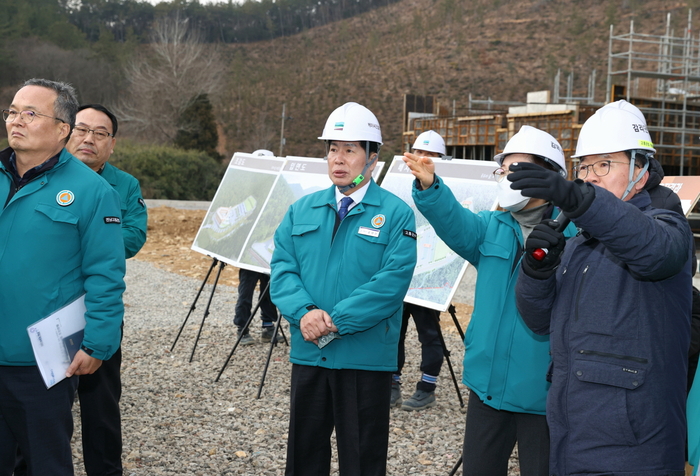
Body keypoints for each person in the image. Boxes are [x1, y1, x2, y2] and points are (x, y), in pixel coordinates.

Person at [510, 100, 693, 475]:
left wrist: (580, 200)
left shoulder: (668, 228)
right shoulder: (580, 243)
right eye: (583, 166)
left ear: (640, 170)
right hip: (571, 437)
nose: (590, 176)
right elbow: (538, 321)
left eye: (604, 164)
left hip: (634, 450)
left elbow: (653, 251)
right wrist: (536, 269)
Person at [403, 125, 577, 476]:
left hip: (543, 396)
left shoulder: (576, 239)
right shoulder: (491, 226)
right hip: (487, 387)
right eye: (503, 170)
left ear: (547, 177)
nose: (506, 179)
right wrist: (430, 187)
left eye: (517, 170)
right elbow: (453, 222)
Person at [270, 102, 417, 476]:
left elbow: (391, 282)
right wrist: (304, 313)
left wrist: (335, 320)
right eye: (333, 149)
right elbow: (283, 270)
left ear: (371, 159)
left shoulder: (396, 214)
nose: (338, 158)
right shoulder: (301, 210)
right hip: (310, 353)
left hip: (363, 357)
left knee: (362, 459)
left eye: (350, 149)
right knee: (304, 456)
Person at [0, 79, 125, 475]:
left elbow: (106, 274)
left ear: (62, 129)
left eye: (31, 114)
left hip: (42, 364)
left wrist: (99, 343)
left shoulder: (92, 191)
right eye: (13, 111)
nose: (16, 121)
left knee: (45, 462)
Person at [67, 104, 147, 476]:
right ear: (66, 131)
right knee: (40, 404)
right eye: (82, 129)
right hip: (47, 306)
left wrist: (85, 235)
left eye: (100, 133)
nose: (89, 139)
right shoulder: (39, 176)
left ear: (112, 144)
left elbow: (133, 237)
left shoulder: (124, 185)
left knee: (101, 402)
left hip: (100, 305)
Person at [393, 131, 446, 411]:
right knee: (394, 330)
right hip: (403, 272)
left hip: (430, 277)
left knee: (429, 333)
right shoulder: (401, 185)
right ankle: (392, 382)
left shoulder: (447, 190)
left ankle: (427, 387)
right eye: (418, 153)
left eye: (430, 156)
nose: (422, 160)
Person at [235, 149, 280, 346]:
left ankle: (268, 327)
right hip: (249, 252)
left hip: (268, 250)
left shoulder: (276, 192)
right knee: (246, 291)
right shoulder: (246, 189)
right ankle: (242, 328)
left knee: (269, 291)